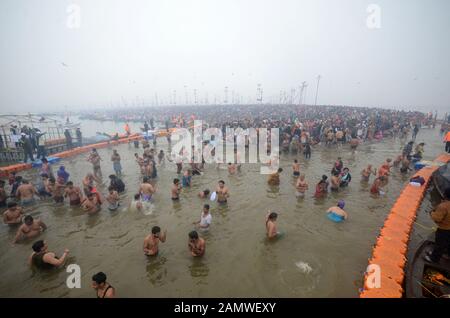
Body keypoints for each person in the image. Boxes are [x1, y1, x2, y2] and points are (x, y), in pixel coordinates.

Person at [424, 189, 450, 263]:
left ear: (445, 195)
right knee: (448, 243)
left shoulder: (443, 206)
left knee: (440, 244)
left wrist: (431, 212)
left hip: (444, 229)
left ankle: (434, 258)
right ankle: (447, 255)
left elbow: (437, 218)